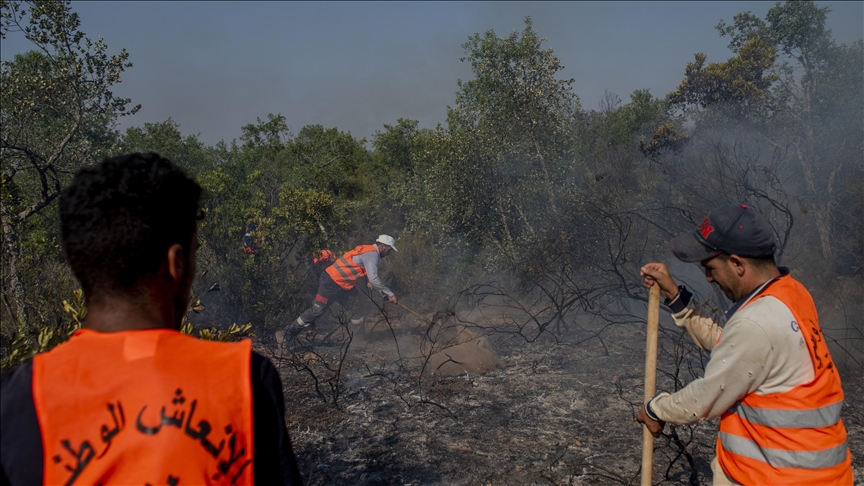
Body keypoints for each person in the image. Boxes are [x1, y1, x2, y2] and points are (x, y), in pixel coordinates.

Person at [0, 153, 304, 485]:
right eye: (194, 252)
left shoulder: (20, 396)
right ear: (176, 264)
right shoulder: (243, 378)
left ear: (79, 265)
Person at [637, 204, 852, 485]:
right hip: (813, 474)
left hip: (780, 479)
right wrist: (675, 296)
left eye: (711, 268)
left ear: (738, 264)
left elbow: (706, 397)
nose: (709, 277)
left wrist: (655, 409)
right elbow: (732, 346)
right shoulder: (791, 294)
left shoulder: (757, 321)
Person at [288, 236, 398, 333]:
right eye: (389, 250)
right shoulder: (372, 254)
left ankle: (357, 339)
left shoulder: (368, 249)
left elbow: (363, 269)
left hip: (343, 286)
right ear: (382, 246)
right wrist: (390, 294)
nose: (389, 253)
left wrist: (380, 291)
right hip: (330, 282)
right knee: (317, 310)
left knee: (357, 309)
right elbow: (374, 279)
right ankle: (287, 333)